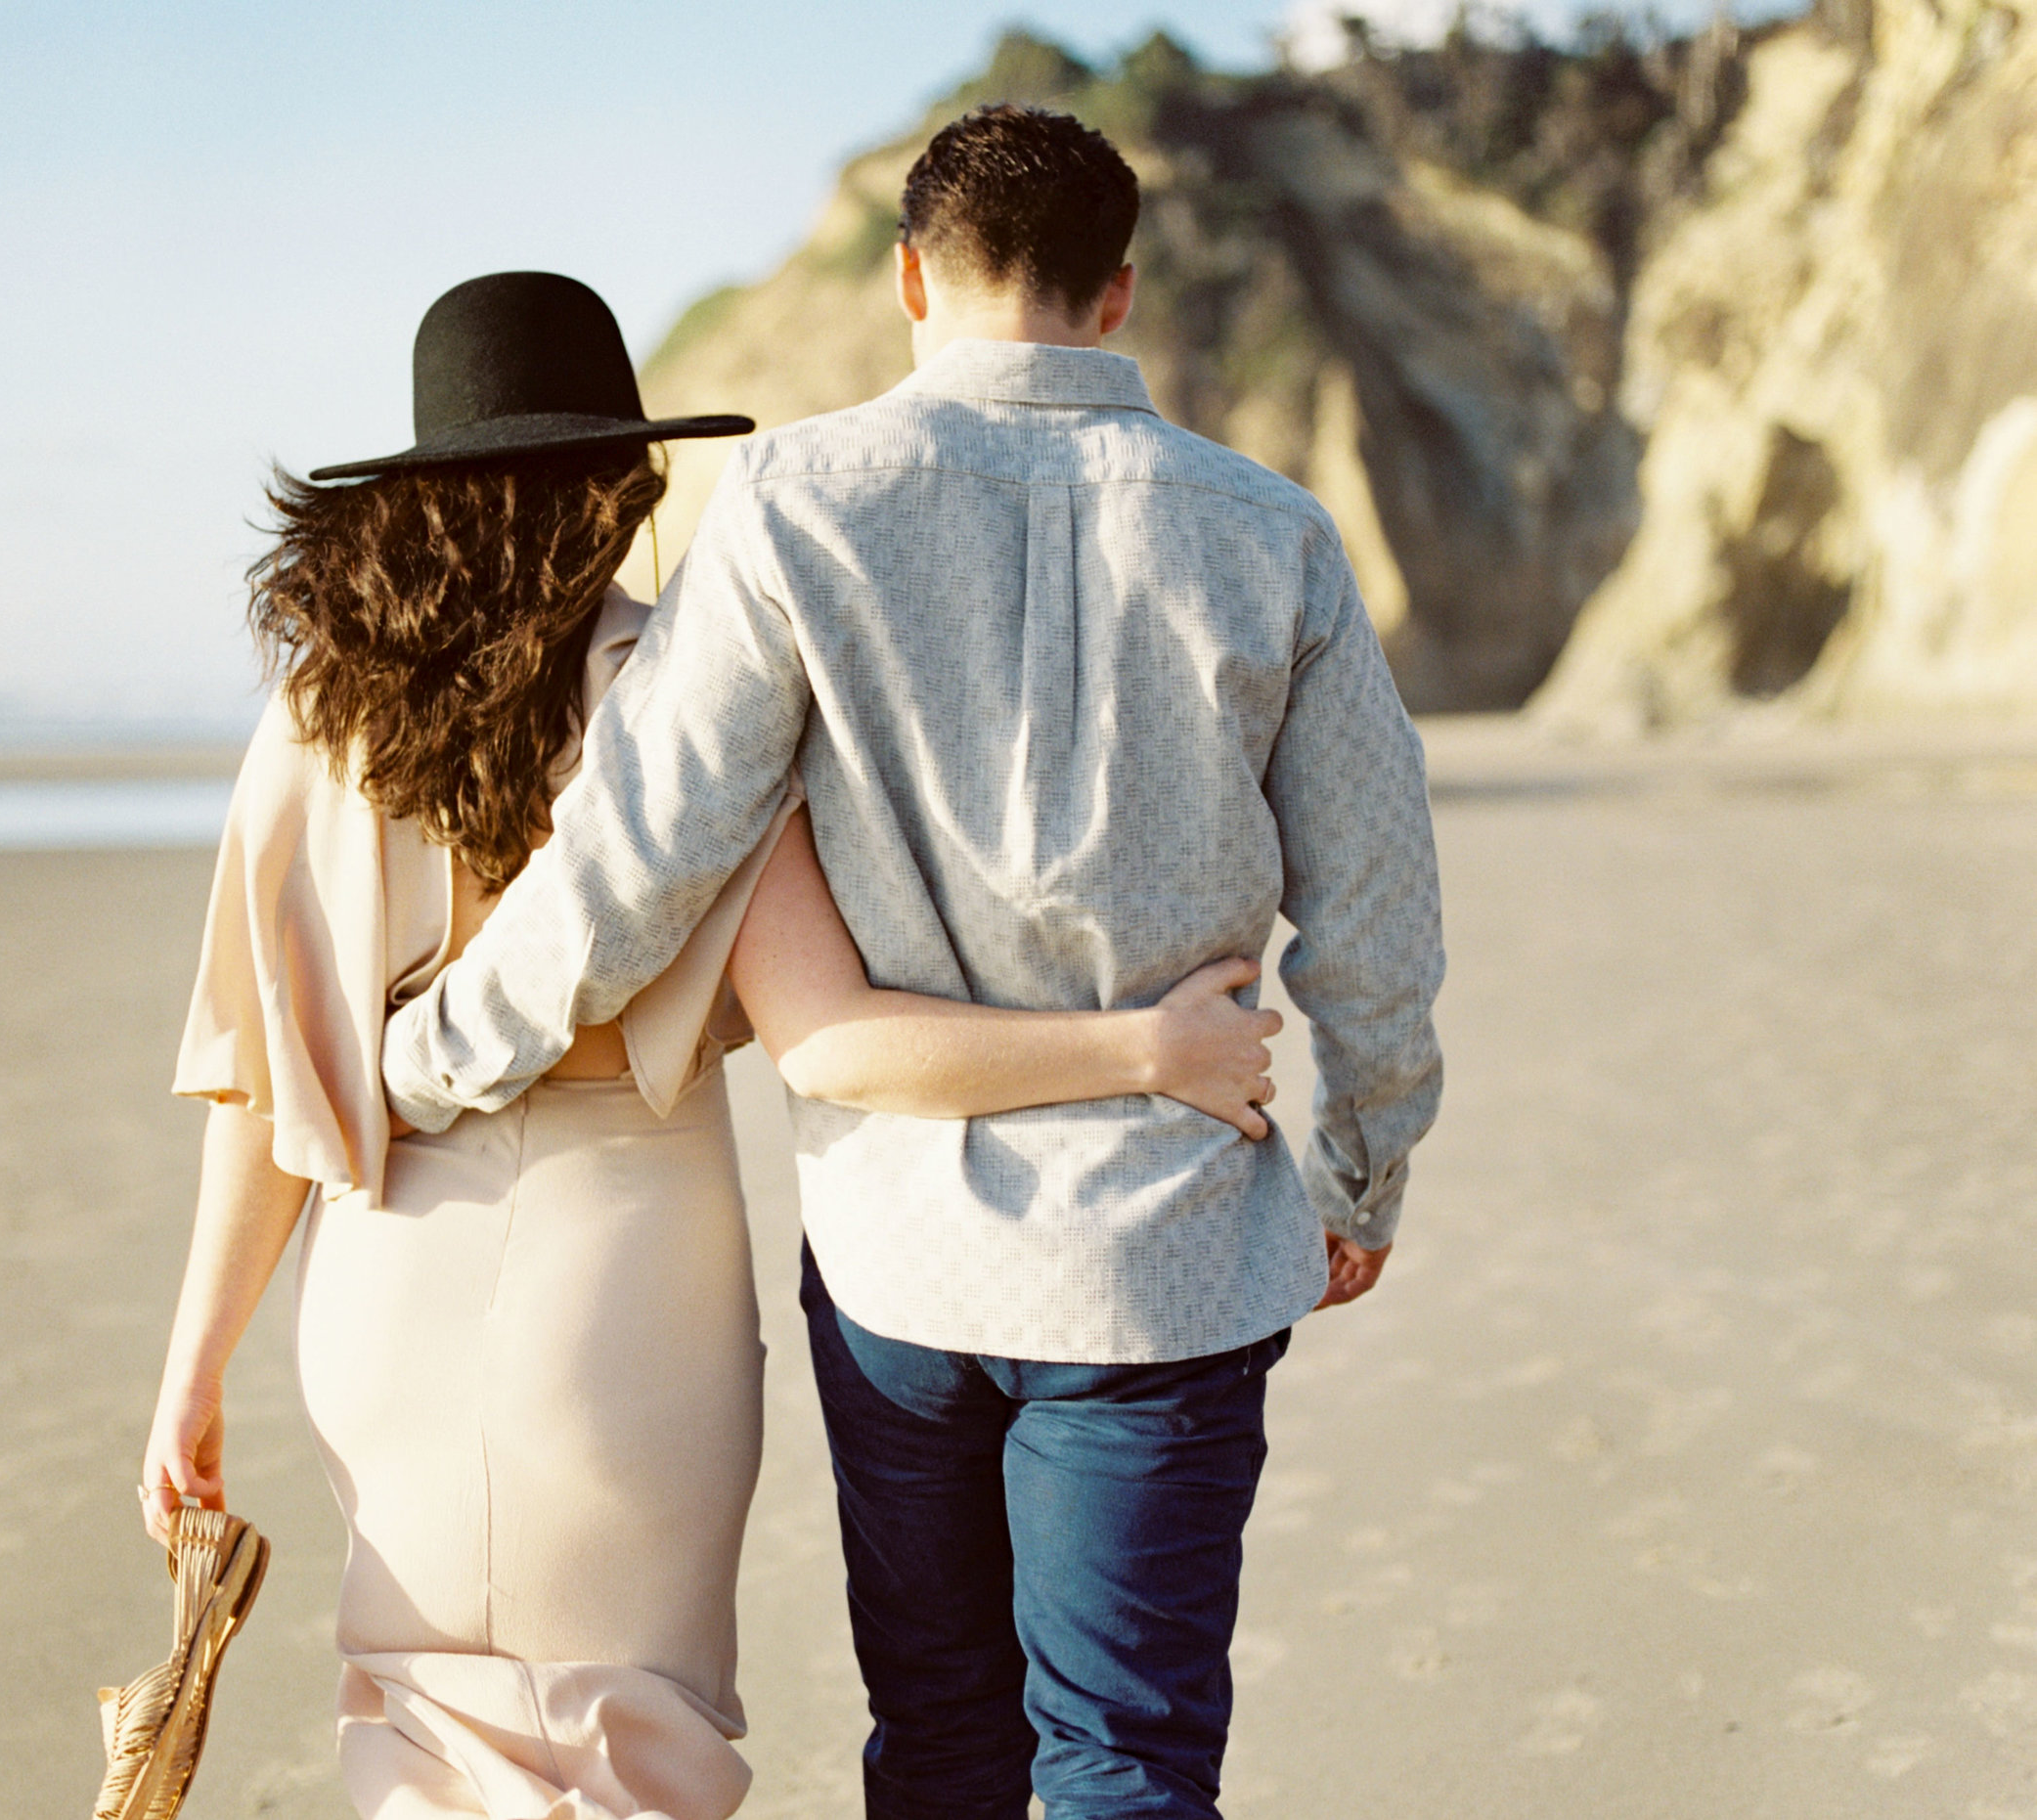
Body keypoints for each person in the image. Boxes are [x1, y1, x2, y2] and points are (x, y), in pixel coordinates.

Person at [379, 111, 1446, 1820]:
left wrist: (438, 1054)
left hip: (897, 1260)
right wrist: (1367, 1165)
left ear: (904, 279)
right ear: (1117, 293)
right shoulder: (1273, 533)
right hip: (1162, 1255)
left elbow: (641, 844)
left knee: (942, 1744)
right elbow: (1378, 907)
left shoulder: (799, 497)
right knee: (1130, 1758)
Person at [137, 271, 1290, 1820]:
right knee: (625, 1742)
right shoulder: (682, 700)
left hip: (378, 1278)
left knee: (412, 1739)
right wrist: (1142, 1045)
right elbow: (831, 1037)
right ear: (616, 481)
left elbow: (262, 1079)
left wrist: (191, 1368)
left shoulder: (319, 717)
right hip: (627, 1282)